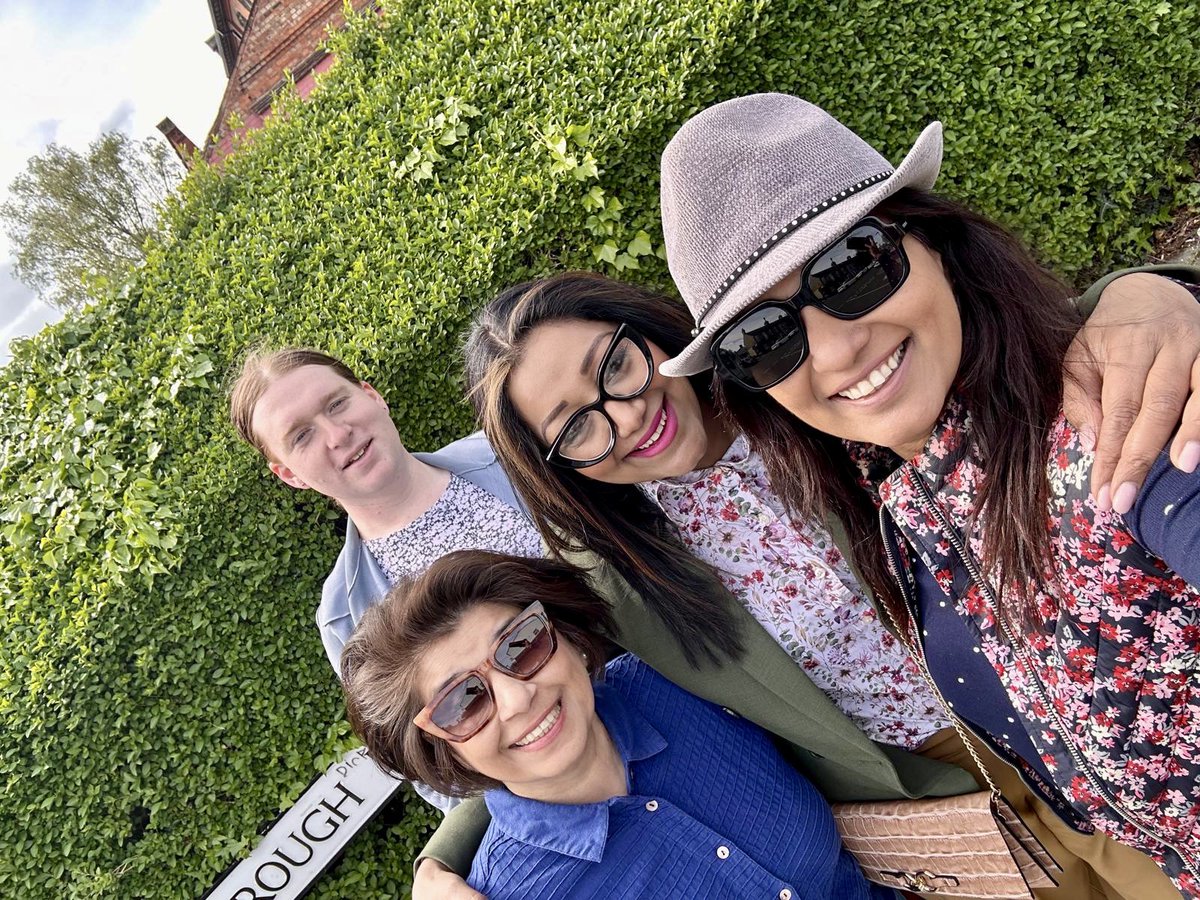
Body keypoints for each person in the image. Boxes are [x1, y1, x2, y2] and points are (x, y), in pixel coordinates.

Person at [654, 93, 1200, 897]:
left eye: (852, 268)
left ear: (935, 239)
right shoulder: (891, 503)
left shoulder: (1117, 423)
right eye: (764, 339)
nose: (838, 350)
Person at [342, 549, 902, 899]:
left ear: (560, 633)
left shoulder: (678, 681)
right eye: (464, 702)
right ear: (439, 748)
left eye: (520, 644)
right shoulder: (512, 893)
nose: (517, 698)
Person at [229, 347, 544, 677]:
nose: (337, 435)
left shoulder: (513, 448)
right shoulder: (345, 618)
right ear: (290, 475)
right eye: (302, 436)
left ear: (373, 396)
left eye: (337, 404)